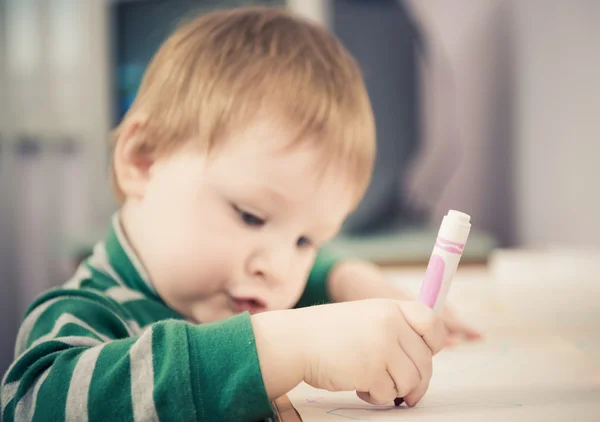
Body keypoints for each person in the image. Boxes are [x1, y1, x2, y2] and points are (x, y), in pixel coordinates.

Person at [1, 7, 480, 421]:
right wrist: (290, 346)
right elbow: (31, 406)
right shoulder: (79, 313)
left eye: (305, 241)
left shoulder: (237, 286)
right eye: (251, 217)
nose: (278, 268)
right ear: (142, 160)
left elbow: (313, 270)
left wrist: (348, 279)